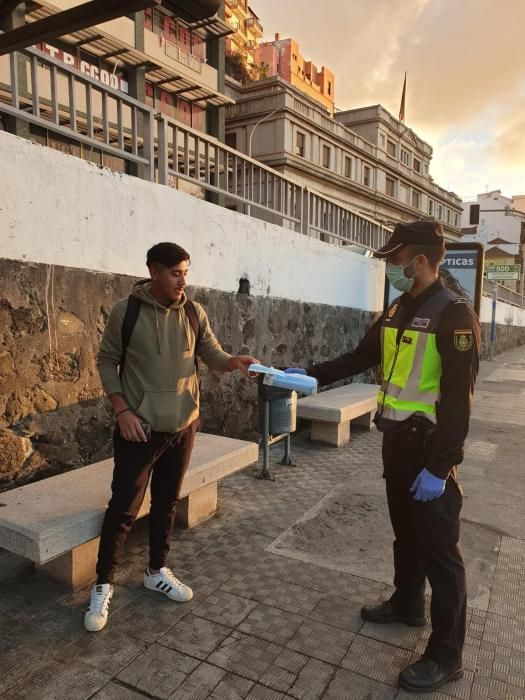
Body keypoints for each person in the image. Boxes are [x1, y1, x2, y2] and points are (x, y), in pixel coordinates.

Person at [287, 221, 480, 693]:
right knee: (406, 533)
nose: (391, 267)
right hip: (395, 440)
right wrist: (308, 373)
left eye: (396, 259)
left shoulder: (454, 316)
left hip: (429, 448)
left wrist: (441, 465)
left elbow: (459, 401)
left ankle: (446, 653)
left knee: (441, 552)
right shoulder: (397, 307)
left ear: (419, 259)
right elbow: (360, 356)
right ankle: (408, 603)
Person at [85, 242, 257, 632]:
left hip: (183, 426)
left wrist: (235, 362)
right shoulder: (125, 312)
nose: (184, 280)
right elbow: (106, 361)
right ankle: (103, 583)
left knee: (166, 503)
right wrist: (122, 411)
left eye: (186, 272)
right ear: (154, 272)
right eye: (176, 273)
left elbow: (212, 355)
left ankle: (156, 570)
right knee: (124, 509)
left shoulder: (194, 312)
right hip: (138, 428)